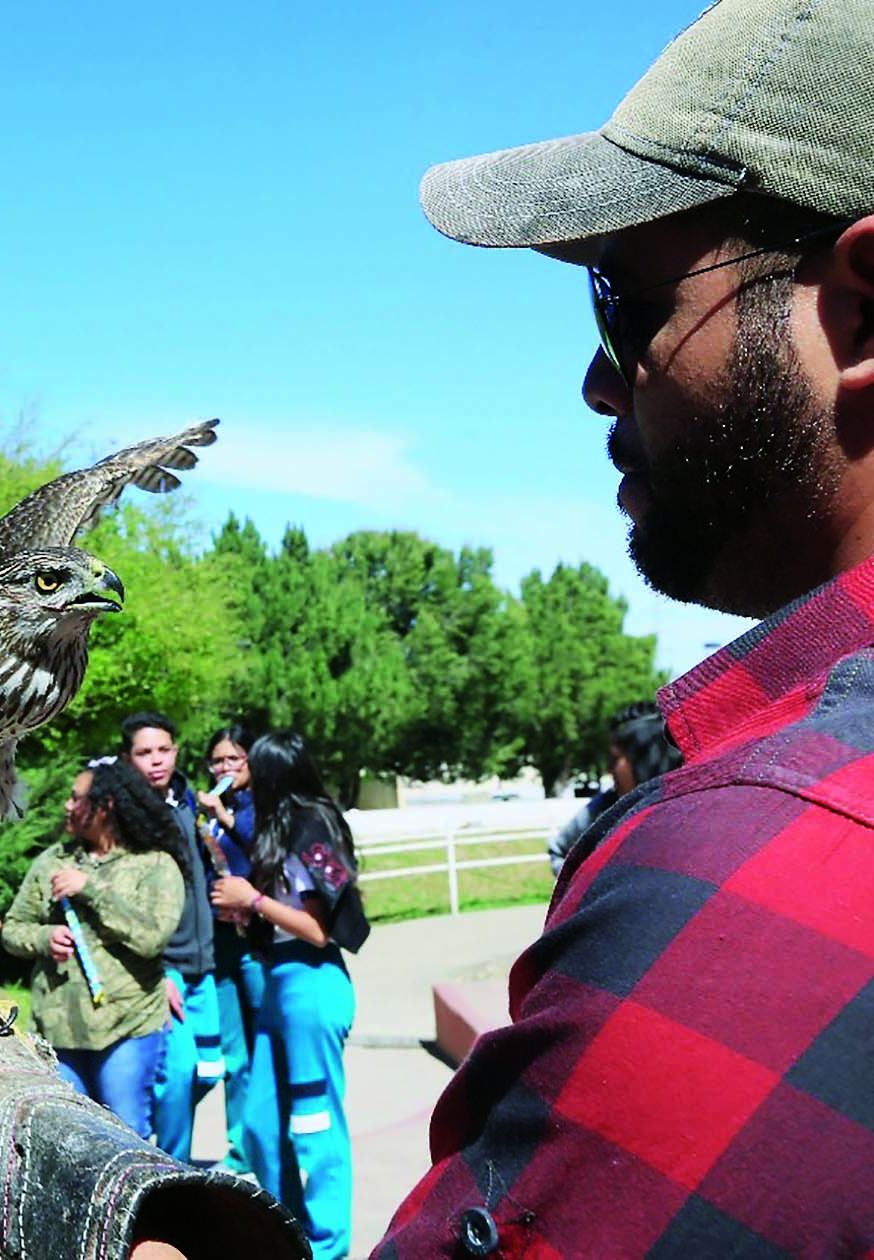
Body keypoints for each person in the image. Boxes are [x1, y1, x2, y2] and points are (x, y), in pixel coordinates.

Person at [382, 1, 874, 1253]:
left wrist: (86, 1188)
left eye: (626, 302)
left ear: (867, 317)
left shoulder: (775, 849)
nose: (601, 379)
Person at [211, 730, 367, 1260]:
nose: (239, 768)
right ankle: (289, 1232)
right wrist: (247, 911)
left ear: (274, 770)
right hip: (278, 978)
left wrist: (251, 899)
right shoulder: (276, 826)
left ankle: (328, 1247)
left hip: (312, 983)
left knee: (314, 1123)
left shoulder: (313, 824)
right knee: (258, 1124)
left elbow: (320, 930)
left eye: (250, 762)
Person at [1, 756, 185, 1137]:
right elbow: (13, 929)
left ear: (106, 807)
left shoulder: (154, 865)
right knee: (69, 1140)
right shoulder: (52, 861)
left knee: (124, 1136)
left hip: (127, 1028)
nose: (67, 806)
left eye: (76, 798)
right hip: (59, 1030)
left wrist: (90, 889)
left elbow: (153, 938)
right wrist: (42, 938)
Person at [120, 711, 225, 1161]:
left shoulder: (187, 802)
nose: (156, 761)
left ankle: (163, 1148)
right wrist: (153, 973)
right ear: (129, 759)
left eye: (163, 750)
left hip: (206, 967)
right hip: (166, 970)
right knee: (178, 1074)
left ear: (176, 752)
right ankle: (170, 1168)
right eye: (144, 753)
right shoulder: (126, 815)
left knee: (209, 1071)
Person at [193, 723, 262, 1177]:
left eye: (233, 759)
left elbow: (264, 851)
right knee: (234, 1053)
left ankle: (267, 1139)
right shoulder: (207, 814)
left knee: (265, 1045)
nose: (224, 768)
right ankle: (240, 1144)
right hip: (219, 944)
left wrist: (230, 817)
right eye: (217, 760)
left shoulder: (262, 807)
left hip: (258, 941)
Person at [547, 700, 682, 875]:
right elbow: (559, 850)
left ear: (643, 760)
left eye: (615, 759)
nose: (609, 769)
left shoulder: (688, 809)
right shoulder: (602, 810)